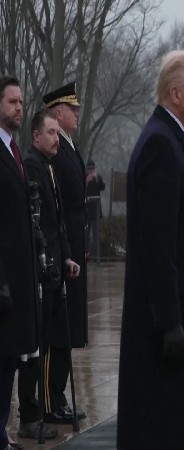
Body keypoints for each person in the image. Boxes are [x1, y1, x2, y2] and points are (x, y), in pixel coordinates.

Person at [117, 50, 184, 450]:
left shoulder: (174, 139)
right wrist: (169, 322)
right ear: (175, 93)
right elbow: (156, 245)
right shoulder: (161, 145)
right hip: (174, 325)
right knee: (172, 428)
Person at [18, 109, 81, 440]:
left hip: (57, 264)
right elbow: (37, 223)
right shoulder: (31, 165)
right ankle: (38, 409)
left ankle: (46, 405)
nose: (57, 139)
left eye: (59, 133)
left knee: (53, 339)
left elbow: (58, 221)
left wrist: (67, 255)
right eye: (52, 133)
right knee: (39, 345)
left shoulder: (50, 166)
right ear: (36, 136)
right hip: (43, 271)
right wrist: (49, 260)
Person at [42, 81, 87, 423]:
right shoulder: (57, 152)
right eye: (72, 109)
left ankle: (58, 394)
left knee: (69, 327)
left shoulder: (70, 146)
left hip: (72, 247)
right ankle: (51, 397)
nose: (77, 113)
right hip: (62, 247)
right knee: (59, 327)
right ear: (58, 112)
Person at [0, 75, 38, 450]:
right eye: (12, 102)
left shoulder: (14, 150)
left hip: (19, 278)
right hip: (4, 281)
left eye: (21, 102)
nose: (19, 108)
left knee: (10, 360)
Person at [85, 159, 105, 261]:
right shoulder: (85, 177)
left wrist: (97, 180)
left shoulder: (98, 177)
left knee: (96, 234)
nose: (91, 171)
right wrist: (87, 181)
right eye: (89, 169)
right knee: (86, 234)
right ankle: (86, 255)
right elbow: (81, 190)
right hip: (87, 210)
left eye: (93, 168)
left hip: (96, 210)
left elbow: (102, 187)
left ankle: (96, 256)